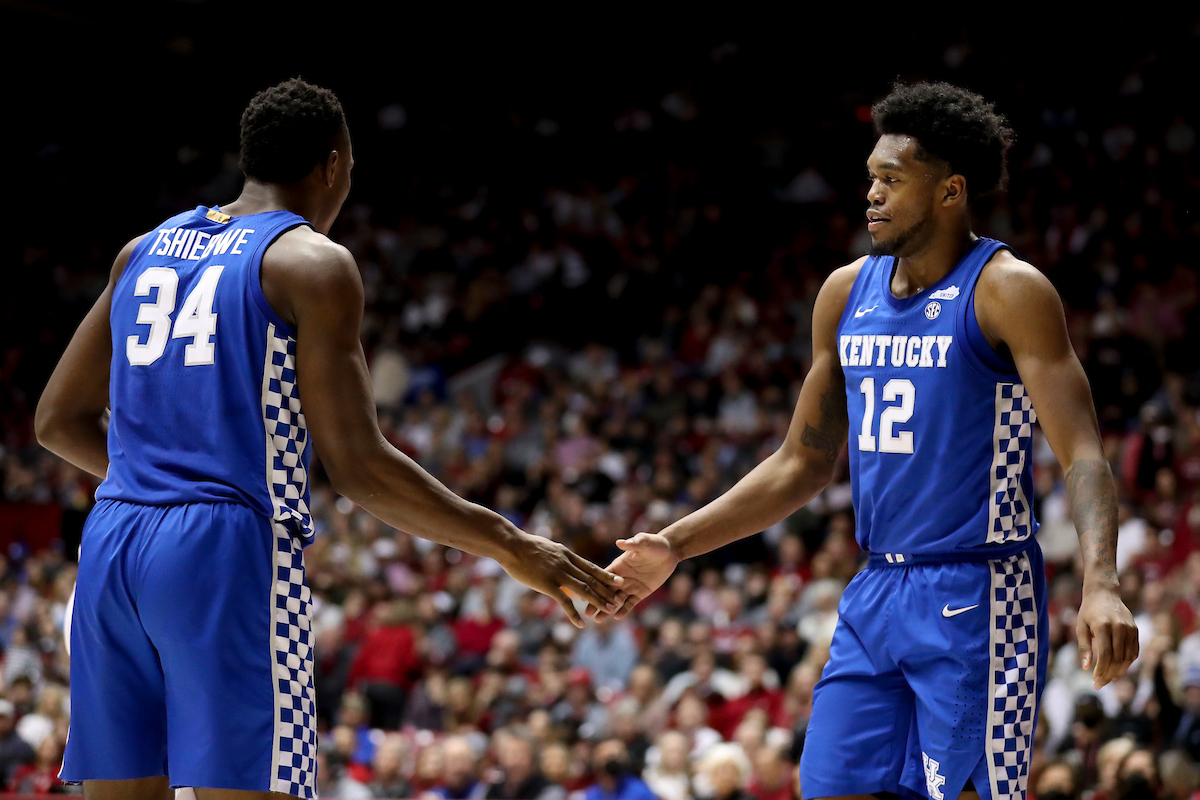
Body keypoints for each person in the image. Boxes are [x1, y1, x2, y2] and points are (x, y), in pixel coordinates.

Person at [35, 78, 625, 800]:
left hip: (113, 538)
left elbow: (55, 421)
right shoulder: (311, 262)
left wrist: (156, 475)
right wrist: (512, 545)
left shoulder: (142, 251)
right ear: (334, 165)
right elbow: (360, 467)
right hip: (222, 547)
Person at [588, 81, 1140, 800]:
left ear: (950, 192)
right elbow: (800, 463)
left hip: (979, 587)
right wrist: (675, 545)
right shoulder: (847, 293)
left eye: (891, 179)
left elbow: (1084, 454)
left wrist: (1101, 581)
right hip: (877, 587)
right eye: (870, 179)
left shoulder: (1009, 291)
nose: (871, 195)